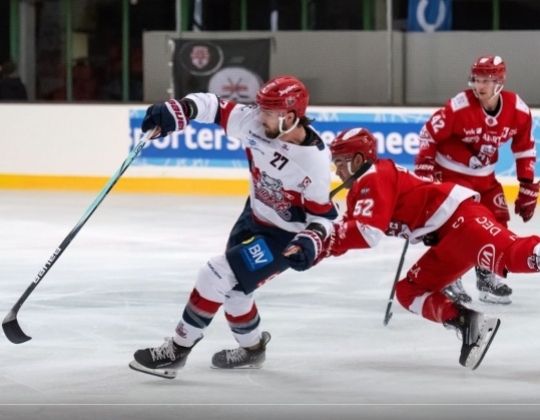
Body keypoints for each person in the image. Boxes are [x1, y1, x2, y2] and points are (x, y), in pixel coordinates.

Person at [129, 75, 338, 379]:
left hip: (283, 238)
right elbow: (212, 106)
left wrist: (310, 241)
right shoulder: (256, 122)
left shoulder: (313, 163)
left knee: (214, 274)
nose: (259, 115)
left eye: (269, 111)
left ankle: (177, 350)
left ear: (290, 117)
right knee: (237, 292)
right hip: (252, 216)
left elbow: (324, 217)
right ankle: (253, 350)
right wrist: (180, 110)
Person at [319, 127, 540, 369]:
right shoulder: (360, 191)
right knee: (409, 291)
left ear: (358, 160)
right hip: (446, 241)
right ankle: (469, 322)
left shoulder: (374, 176)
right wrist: (313, 247)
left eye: (340, 162)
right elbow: (348, 231)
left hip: (462, 221)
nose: (337, 170)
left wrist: (320, 243)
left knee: (513, 255)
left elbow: (367, 233)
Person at [414, 55, 538, 305]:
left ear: (499, 82)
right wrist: (425, 167)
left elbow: (524, 148)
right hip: (450, 174)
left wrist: (527, 186)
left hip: (485, 178)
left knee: (498, 221)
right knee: (455, 226)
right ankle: (450, 279)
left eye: (487, 80)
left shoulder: (518, 110)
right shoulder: (459, 106)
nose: (480, 86)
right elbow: (429, 133)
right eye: (477, 79)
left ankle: (486, 277)